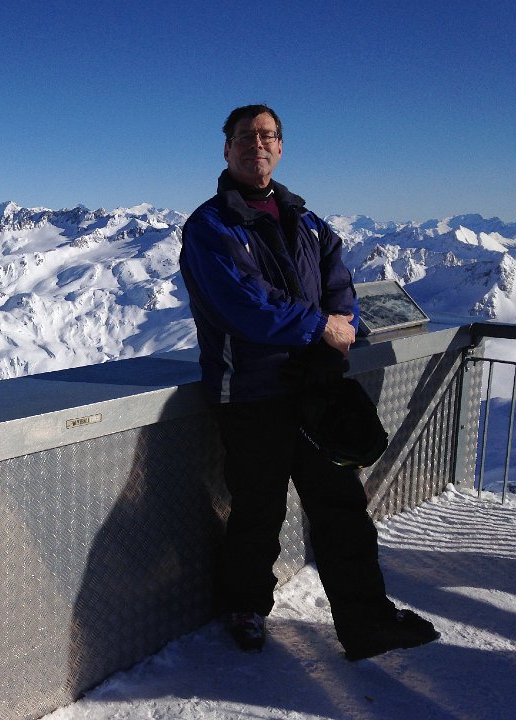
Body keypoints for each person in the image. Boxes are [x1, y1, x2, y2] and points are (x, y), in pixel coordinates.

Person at [178, 104, 439, 660]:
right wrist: (320, 327)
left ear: (280, 146)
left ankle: (366, 623)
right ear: (226, 149)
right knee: (258, 507)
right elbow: (243, 305)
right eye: (245, 136)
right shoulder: (210, 227)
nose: (257, 144)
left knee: (341, 505)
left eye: (267, 135)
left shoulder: (308, 221)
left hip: (314, 388)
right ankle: (246, 607)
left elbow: (340, 288)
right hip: (250, 392)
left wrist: (338, 328)